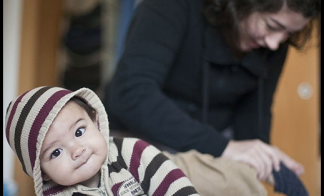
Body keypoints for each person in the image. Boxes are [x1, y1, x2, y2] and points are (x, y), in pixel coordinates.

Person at [6, 86, 306, 196]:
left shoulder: (132, 152)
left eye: (80, 131)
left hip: (171, 176)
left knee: (228, 187)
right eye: (56, 152)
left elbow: (178, 193)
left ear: (96, 123)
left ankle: (264, 170)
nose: (77, 149)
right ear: (40, 171)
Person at [104, 0, 321, 182]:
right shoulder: (171, 6)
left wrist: (263, 159)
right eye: (272, 25)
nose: (275, 43)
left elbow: (254, 115)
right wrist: (224, 147)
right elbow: (131, 94)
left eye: (289, 33)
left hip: (209, 147)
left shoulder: (272, 44)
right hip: (138, 137)